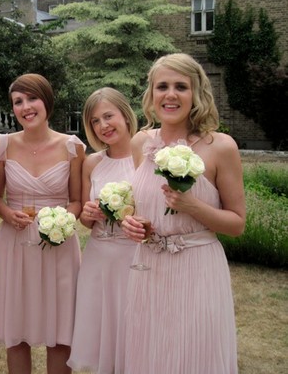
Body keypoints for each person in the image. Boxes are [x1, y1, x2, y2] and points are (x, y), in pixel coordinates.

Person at [120, 53, 245, 374]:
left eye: (181, 86)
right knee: (151, 354)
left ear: (197, 93)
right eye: (162, 86)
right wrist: (131, 223)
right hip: (148, 268)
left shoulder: (220, 147)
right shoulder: (140, 143)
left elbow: (237, 224)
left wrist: (194, 206)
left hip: (198, 269)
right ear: (151, 95)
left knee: (194, 355)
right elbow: (140, 201)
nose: (170, 94)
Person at [0, 73, 86, 374]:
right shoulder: (2, 145)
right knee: (17, 334)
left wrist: (62, 221)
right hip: (15, 246)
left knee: (60, 334)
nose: (26, 107)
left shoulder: (73, 147)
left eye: (32, 98)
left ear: (47, 102)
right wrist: (6, 213)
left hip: (58, 246)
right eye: (18, 101)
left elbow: (77, 201)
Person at [67, 87, 138, 374]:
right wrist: (87, 213)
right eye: (95, 121)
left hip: (133, 257)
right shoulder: (92, 162)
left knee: (132, 331)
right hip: (98, 257)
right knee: (102, 335)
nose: (103, 126)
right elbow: (85, 218)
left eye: (108, 116)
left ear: (125, 114)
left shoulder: (147, 157)